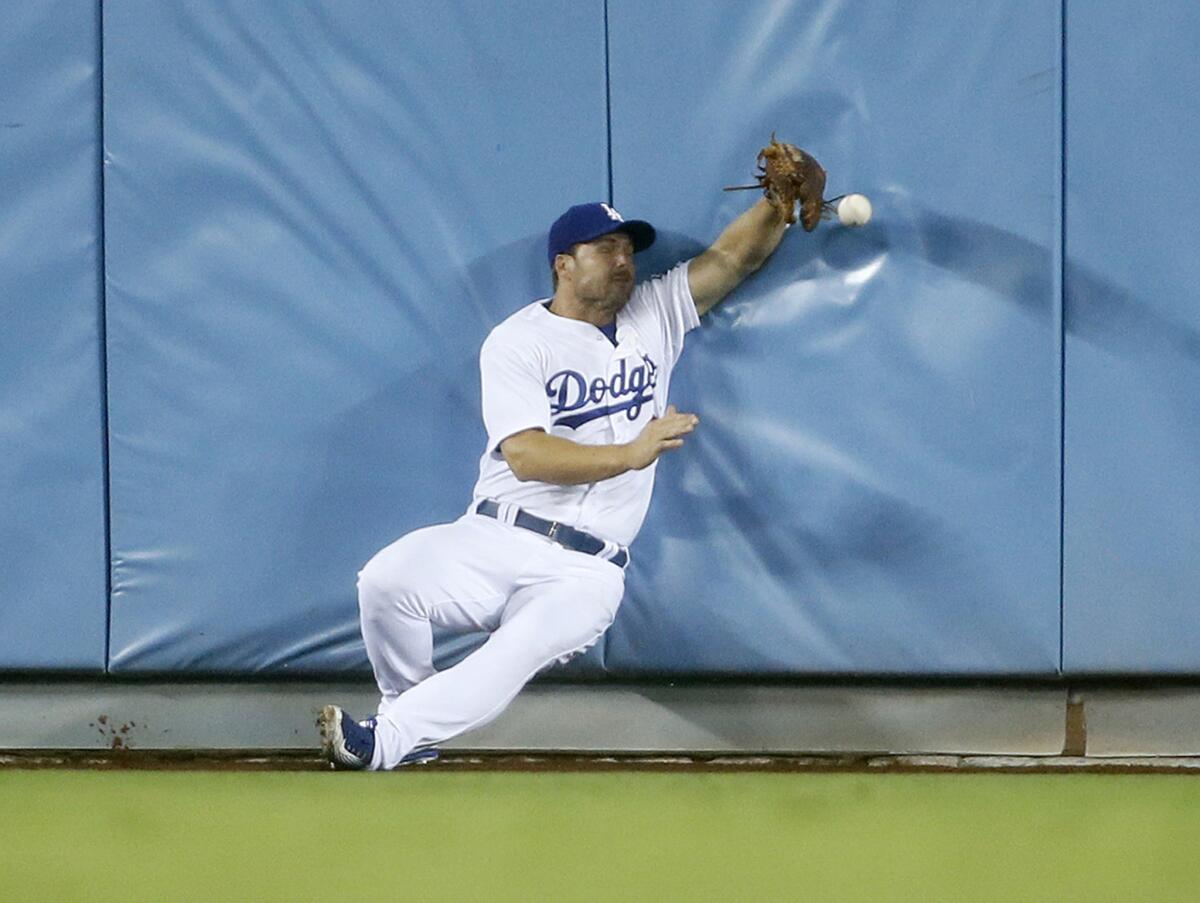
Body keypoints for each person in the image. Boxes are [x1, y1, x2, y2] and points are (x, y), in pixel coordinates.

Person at [320, 195, 794, 769]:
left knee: (515, 649)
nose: (623, 262)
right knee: (386, 581)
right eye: (606, 249)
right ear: (563, 264)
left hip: (584, 571)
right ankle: (408, 717)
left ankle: (387, 738)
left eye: (628, 250)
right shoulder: (518, 340)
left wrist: (778, 205)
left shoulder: (655, 313)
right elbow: (526, 454)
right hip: (494, 536)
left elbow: (731, 259)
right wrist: (630, 453)